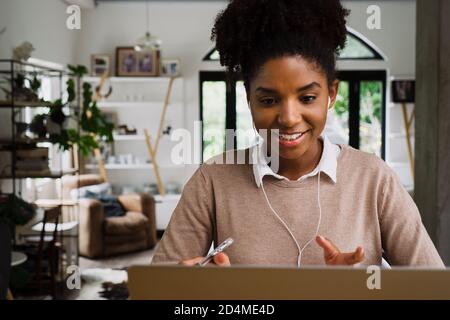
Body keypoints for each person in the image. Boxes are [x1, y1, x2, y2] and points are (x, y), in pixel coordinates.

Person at [152, 0, 444, 268]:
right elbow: (158, 286)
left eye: (307, 98)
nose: (289, 119)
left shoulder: (374, 179)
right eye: (268, 100)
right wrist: (205, 294)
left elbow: (433, 288)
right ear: (248, 98)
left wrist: (363, 290)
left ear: (331, 94)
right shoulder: (213, 179)